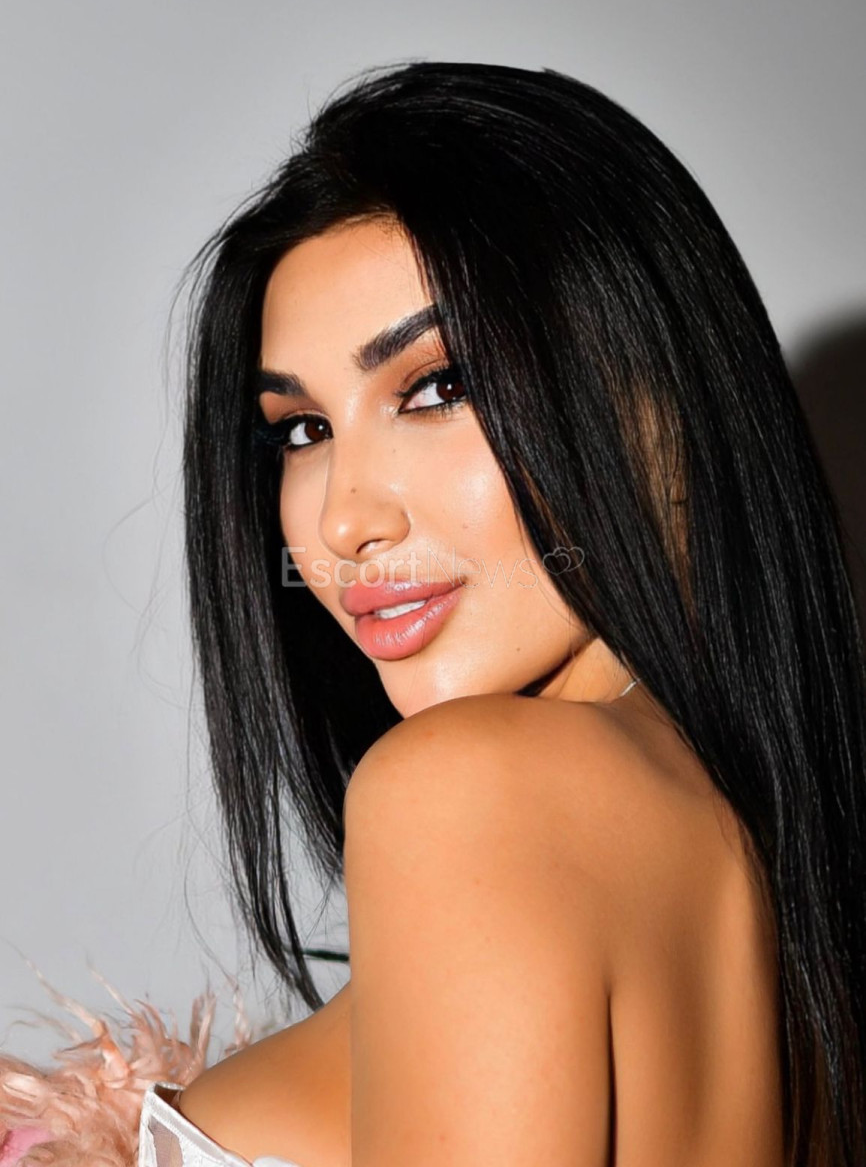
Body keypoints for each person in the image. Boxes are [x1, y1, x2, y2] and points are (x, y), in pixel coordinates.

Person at [9, 58, 863, 1167]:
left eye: (436, 387)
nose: (343, 519)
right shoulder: (760, 867)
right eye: (302, 430)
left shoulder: (467, 790)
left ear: (658, 398)